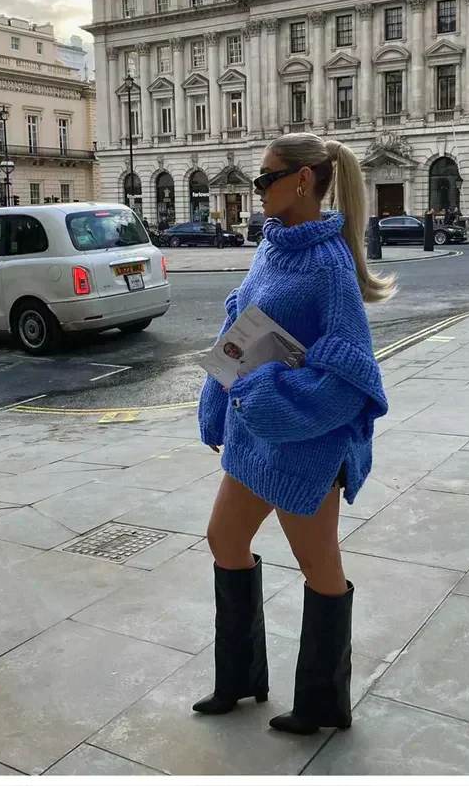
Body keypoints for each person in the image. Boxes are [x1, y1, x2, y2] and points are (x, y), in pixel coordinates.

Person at [195, 133, 393, 736]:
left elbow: (351, 378)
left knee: (319, 566)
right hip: (257, 437)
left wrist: (264, 394)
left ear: (302, 181)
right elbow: (242, 327)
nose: (256, 190)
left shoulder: (329, 267)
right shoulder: (272, 244)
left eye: (265, 179)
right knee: (224, 538)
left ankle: (322, 704)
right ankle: (239, 678)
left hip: (307, 445)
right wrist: (218, 400)